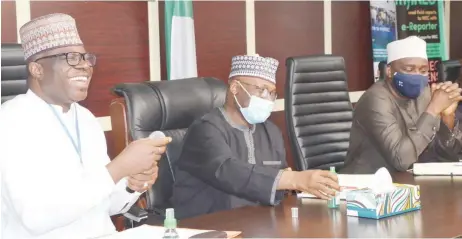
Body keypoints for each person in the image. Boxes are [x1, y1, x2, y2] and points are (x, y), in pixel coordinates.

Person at [0, 13, 171, 239]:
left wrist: (132, 184)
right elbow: (36, 218)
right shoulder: (11, 122)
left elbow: (108, 207)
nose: (84, 67)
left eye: (85, 58)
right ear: (37, 69)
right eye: (71, 58)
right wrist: (118, 169)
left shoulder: (86, 118)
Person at [172, 54, 340, 219]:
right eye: (261, 90)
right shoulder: (205, 130)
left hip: (258, 224)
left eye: (272, 93)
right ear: (235, 88)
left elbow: (278, 185)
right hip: (207, 227)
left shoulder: (271, 132)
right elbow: (229, 172)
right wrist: (293, 179)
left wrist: (292, 184)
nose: (267, 99)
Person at [342, 36, 462, 174]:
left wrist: (448, 117)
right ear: (389, 71)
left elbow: (448, 156)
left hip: (408, 182)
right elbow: (401, 160)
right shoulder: (376, 100)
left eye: (423, 71)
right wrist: (433, 109)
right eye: (409, 69)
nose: (417, 76)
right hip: (366, 185)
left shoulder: (424, 94)